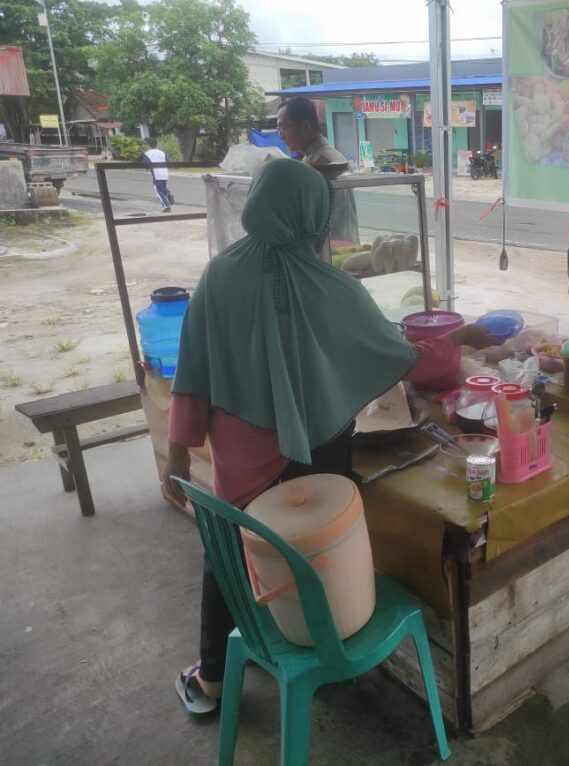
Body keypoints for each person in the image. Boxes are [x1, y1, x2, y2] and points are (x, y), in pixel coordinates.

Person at [161, 159, 493, 713]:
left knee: (231, 552)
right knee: (319, 550)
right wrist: (461, 340)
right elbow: (398, 356)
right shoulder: (333, 288)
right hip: (317, 454)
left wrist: (176, 455)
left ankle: (214, 679)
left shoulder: (219, 275)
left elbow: (191, 374)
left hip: (239, 462)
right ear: (312, 217)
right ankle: (323, 642)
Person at [277, 96, 359, 252]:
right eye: (279, 129)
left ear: (305, 127)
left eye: (284, 127)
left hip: (332, 250)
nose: (281, 135)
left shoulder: (324, 162)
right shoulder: (312, 157)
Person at [142, 137, 173, 213]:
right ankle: (167, 194)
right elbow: (168, 161)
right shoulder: (162, 152)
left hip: (156, 174)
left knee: (159, 191)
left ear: (148, 145)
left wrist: (147, 168)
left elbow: (147, 165)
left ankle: (166, 207)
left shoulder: (147, 154)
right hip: (165, 173)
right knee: (163, 188)